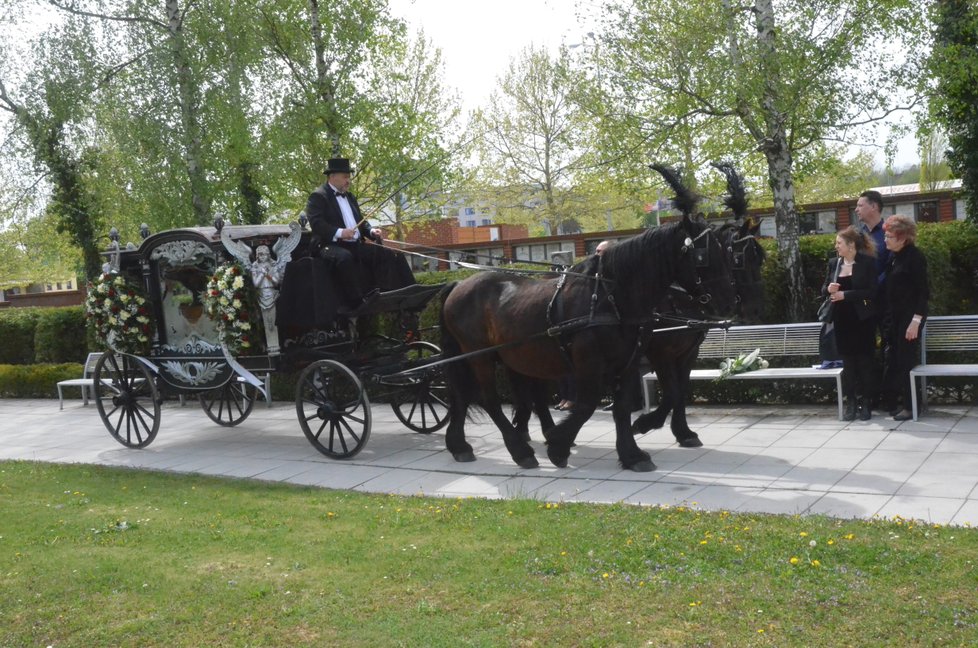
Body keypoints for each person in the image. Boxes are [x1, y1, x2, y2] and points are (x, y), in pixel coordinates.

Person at [304, 157, 415, 314]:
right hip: (329, 245)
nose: (348, 180)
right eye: (345, 177)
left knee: (387, 254)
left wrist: (370, 231)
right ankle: (356, 302)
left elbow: (361, 222)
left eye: (349, 177)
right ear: (332, 176)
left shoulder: (350, 197)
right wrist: (341, 233)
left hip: (354, 245)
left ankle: (392, 293)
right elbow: (317, 224)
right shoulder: (318, 196)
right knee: (344, 258)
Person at [821, 227, 878, 420]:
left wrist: (846, 294)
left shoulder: (867, 263)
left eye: (839, 243)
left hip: (862, 319)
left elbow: (871, 292)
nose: (836, 246)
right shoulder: (833, 264)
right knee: (848, 363)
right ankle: (851, 403)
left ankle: (866, 402)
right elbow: (824, 290)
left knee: (864, 362)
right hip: (842, 319)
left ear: (851, 245)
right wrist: (829, 288)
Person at [880, 214, 929, 421]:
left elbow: (923, 293)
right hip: (895, 316)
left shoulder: (915, 257)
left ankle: (911, 407)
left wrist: (916, 322)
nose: (885, 240)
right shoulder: (894, 257)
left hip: (911, 318)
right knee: (895, 360)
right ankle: (898, 402)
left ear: (902, 238)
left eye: (890, 236)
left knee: (906, 361)